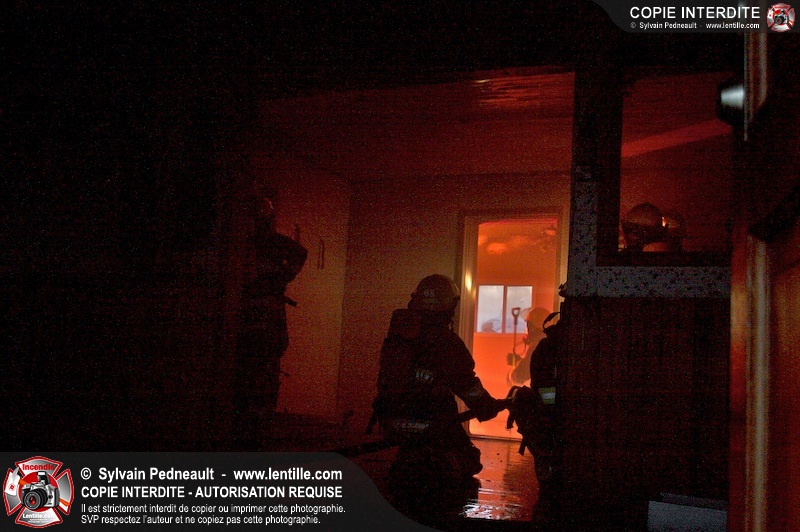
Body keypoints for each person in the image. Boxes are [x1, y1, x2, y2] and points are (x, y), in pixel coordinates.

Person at [372, 274, 503, 487]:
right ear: (449, 306)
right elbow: (467, 385)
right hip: (432, 425)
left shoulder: (398, 337)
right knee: (470, 462)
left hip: (392, 420)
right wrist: (486, 406)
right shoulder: (447, 343)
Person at [233, 196, 307, 447]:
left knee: (264, 365)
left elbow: (300, 254)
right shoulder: (245, 244)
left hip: (264, 317)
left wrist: (280, 277)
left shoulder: (268, 242)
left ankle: (259, 421)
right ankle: (252, 421)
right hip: (253, 316)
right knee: (254, 367)